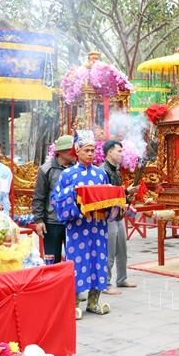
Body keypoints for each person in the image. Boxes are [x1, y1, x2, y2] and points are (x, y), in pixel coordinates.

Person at [53, 130, 119, 320]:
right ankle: (73, 304)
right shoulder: (68, 174)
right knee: (77, 262)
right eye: (86, 150)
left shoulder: (101, 174)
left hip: (98, 227)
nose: (90, 153)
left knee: (98, 260)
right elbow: (57, 199)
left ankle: (93, 302)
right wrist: (74, 196)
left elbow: (108, 199)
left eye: (92, 150)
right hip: (77, 227)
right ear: (77, 151)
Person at [32, 135, 76, 263]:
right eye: (70, 149)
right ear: (60, 152)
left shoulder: (77, 168)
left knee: (74, 260)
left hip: (73, 221)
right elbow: (39, 197)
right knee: (52, 261)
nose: (74, 152)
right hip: (52, 222)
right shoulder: (46, 169)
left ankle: (71, 283)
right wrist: (39, 220)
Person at [102, 140, 138, 294]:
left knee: (122, 249)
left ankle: (121, 279)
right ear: (109, 152)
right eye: (119, 151)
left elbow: (119, 196)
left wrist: (128, 196)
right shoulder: (102, 172)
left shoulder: (116, 172)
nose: (121, 154)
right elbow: (106, 196)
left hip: (119, 215)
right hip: (108, 216)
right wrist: (125, 192)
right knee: (109, 252)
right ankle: (105, 283)